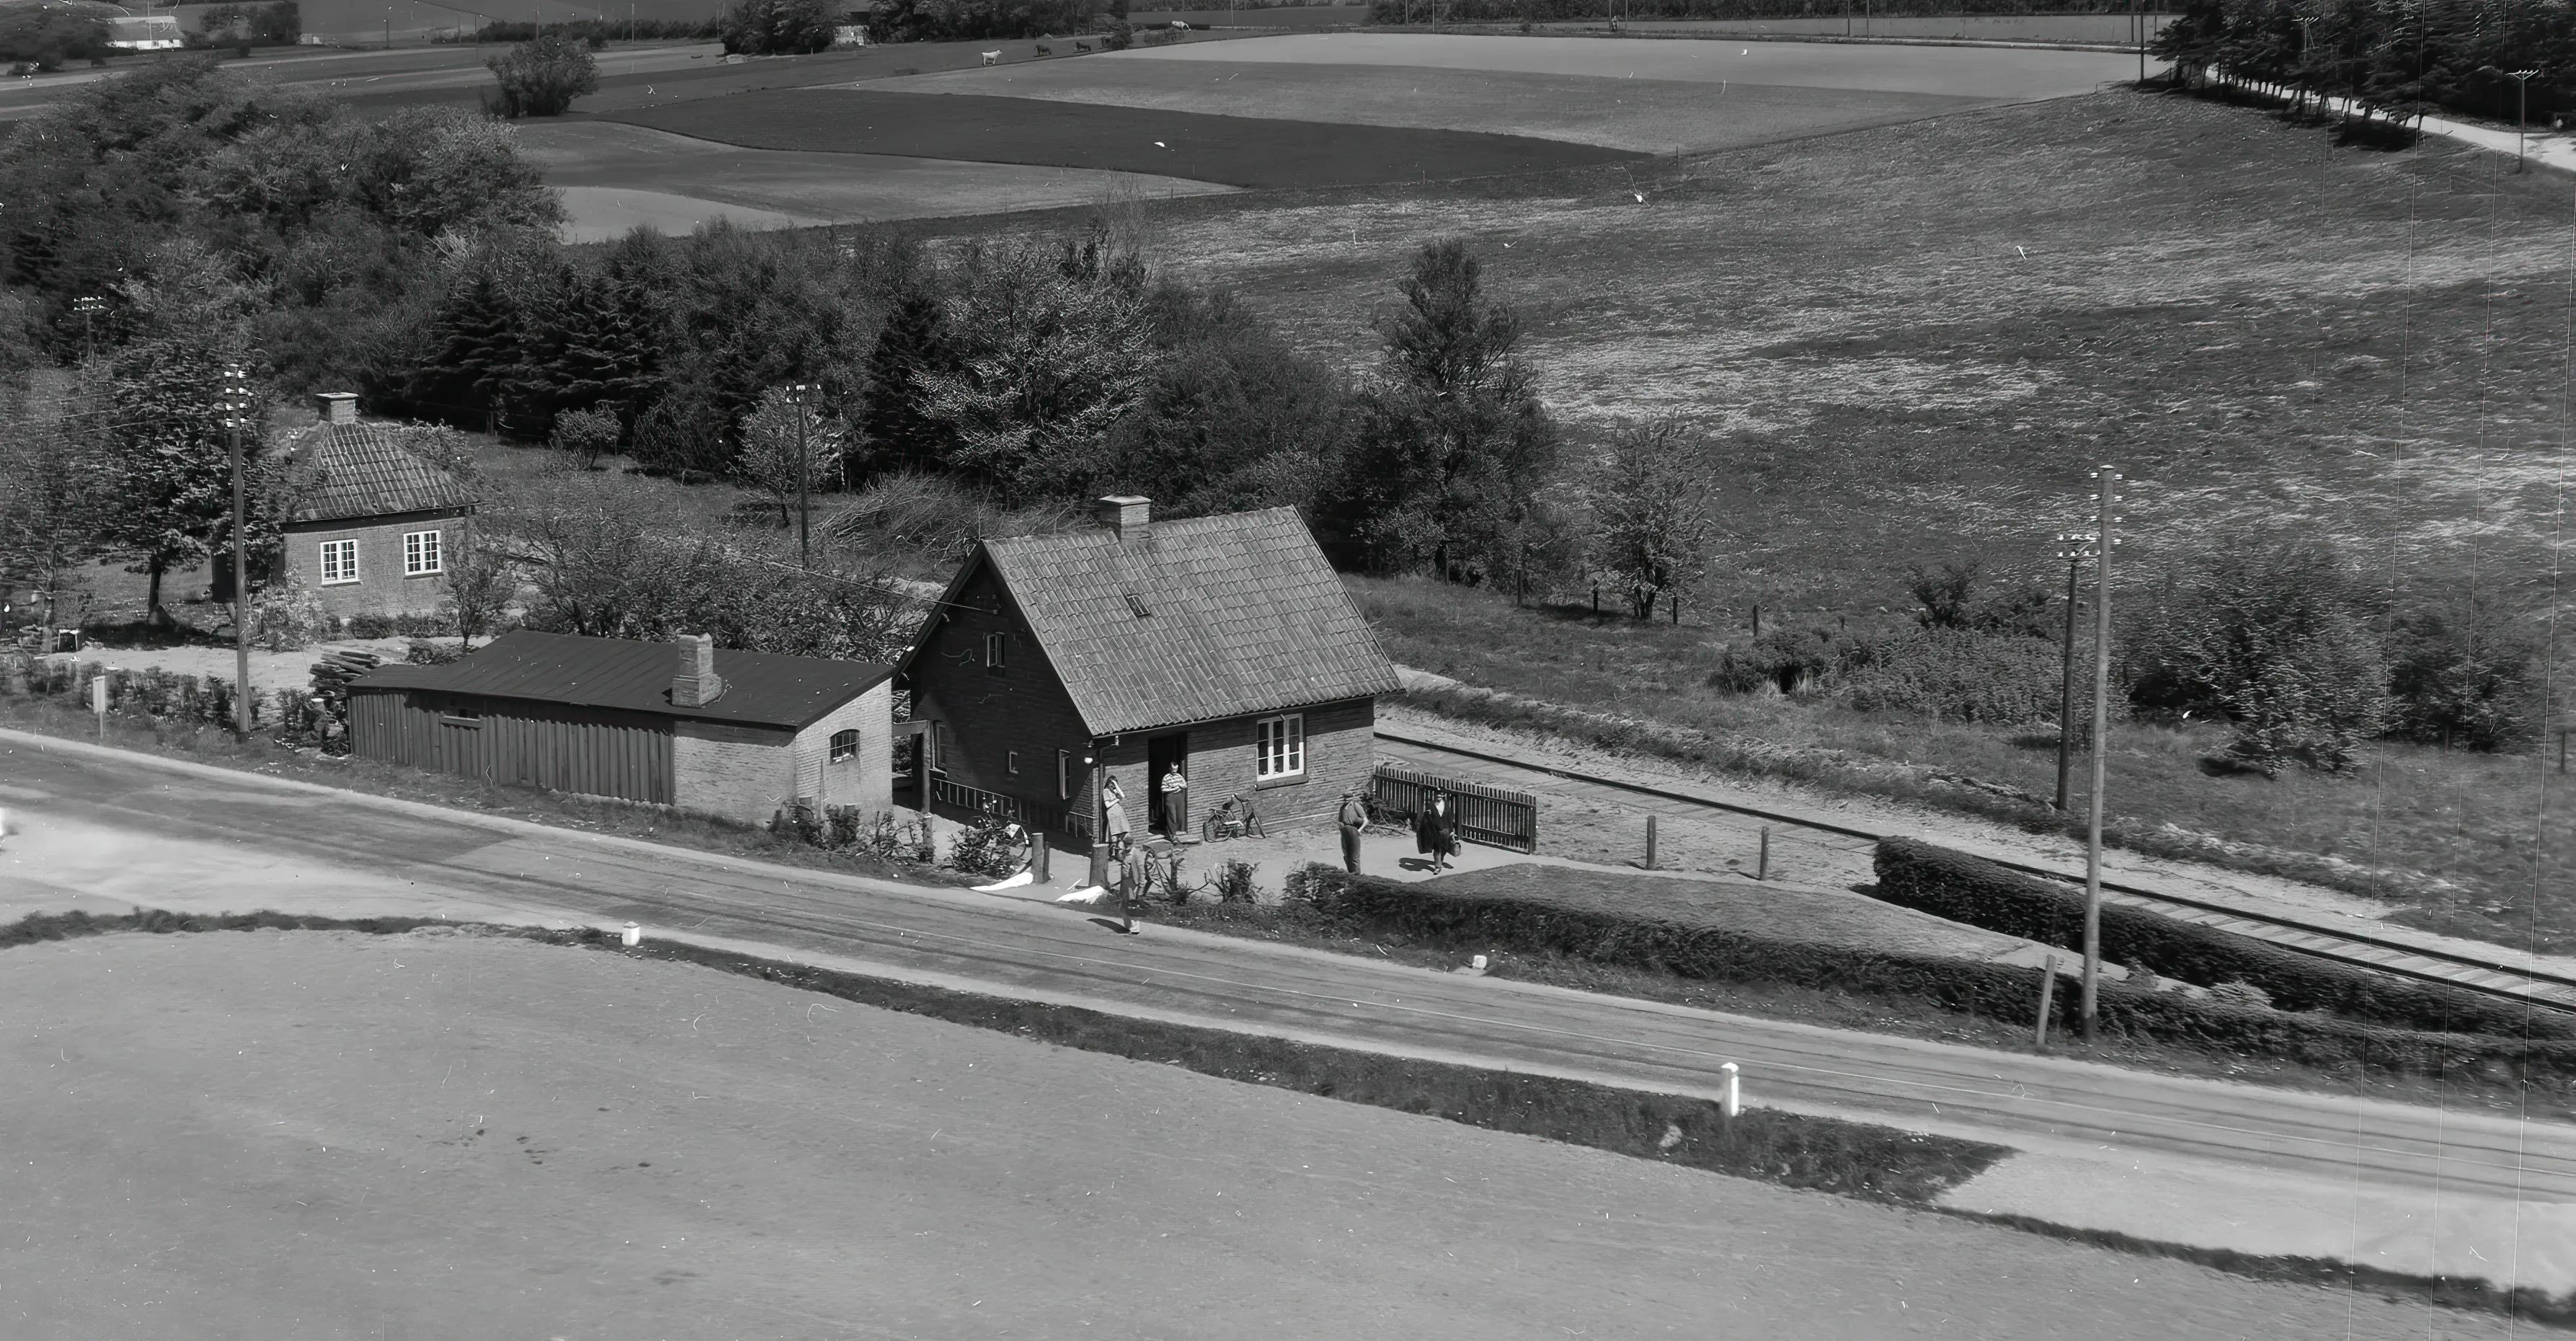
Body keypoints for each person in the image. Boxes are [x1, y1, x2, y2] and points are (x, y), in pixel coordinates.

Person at [1413, 789, 1458, 873]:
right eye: (1438, 795)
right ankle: (1438, 867)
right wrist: (1427, 814)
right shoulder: (1431, 805)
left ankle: (1440, 860)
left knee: (1444, 848)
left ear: (1444, 796)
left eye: (1441, 795)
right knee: (1437, 848)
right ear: (1435, 795)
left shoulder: (1447, 806)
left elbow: (1450, 819)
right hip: (1435, 830)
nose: (1439, 797)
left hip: (1446, 830)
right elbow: (1426, 818)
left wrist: (1452, 831)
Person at [1336, 790, 1368, 875]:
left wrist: (1359, 830)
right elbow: (1340, 821)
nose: (1346, 799)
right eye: (1345, 798)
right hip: (1344, 831)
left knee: (1354, 855)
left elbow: (1366, 821)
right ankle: (1351, 873)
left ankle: (1357, 875)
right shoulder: (1343, 808)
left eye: (1348, 797)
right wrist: (1341, 829)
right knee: (1346, 854)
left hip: (1353, 830)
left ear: (1352, 798)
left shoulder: (1355, 805)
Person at [1102, 775, 1132, 862]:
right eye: (1111, 783)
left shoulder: (1114, 791)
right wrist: (1116, 800)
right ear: (1107, 783)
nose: (1112, 785)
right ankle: (1111, 854)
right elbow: (1107, 805)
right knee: (1114, 834)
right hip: (1112, 814)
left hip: (1120, 814)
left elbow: (1122, 796)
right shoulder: (1106, 791)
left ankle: (1120, 854)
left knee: (1123, 833)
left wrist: (1116, 786)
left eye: (1114, 784)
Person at [1158, 764, 1188, 841]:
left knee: (1180, 816)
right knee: (1172, 816)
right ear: (1170, 769)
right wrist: (1174, 789)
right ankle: (1172, 836)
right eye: (1173, 769)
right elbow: (1163, 789)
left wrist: (1179, 784)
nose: (1175, 771)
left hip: (1179, 797)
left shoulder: (1179, 776)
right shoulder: (1166, 777)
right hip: (1170, 797)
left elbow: (1185, 785)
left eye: (1176, 769)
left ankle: (1174, 832)